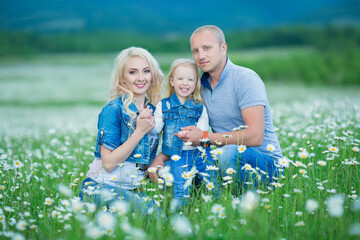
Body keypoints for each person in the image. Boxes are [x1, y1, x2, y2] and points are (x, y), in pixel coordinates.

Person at [149, 25, 282, 193]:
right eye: (195, 51)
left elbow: (255, 136)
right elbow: (182, 128)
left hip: (265, 164)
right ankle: (202, 198)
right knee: (167, 170)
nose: (201, 56)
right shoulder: (197, 88)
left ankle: (240, 203)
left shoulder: (245, 79)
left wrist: (205, 137)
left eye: (207, 48)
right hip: (221, 160)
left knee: (228, 154)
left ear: (223, 48)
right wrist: (162, 157)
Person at [79, 47, 164, 216]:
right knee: (156, 218)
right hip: (99, 187)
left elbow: (142, 164)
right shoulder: (114, 110)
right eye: (133, 72)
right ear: (122, 78)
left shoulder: (154, 111)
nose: (141, 78)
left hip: (130, 190)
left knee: (164, 223)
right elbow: (109, 163)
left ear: (153, 75)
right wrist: (139, 132)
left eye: (146, 71)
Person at [150, 58, 220, 208]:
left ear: (196, 83)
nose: (185, 83)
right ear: (172, 81)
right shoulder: (164, 105)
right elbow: (155, 129)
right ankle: (180, 215)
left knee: (213, 183)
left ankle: (220, 208)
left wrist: (193, 136)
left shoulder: (200, 107)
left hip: (200, 153)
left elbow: (203, 134)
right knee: (181, 189)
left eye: (190, 79)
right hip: (177, 155)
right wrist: (147, 121)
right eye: (180, 78)